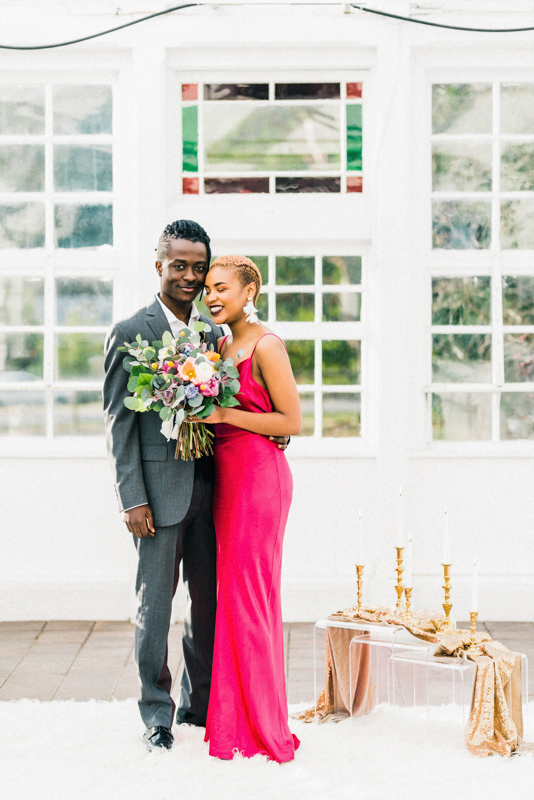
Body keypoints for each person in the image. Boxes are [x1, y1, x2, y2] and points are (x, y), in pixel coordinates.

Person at [103, 221, 289, 753]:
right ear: (158, 264)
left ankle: (199, 703)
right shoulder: (129, 331)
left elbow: (240, 406)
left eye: (199, 267)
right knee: (155, 607)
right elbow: (119, 424)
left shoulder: (215, 335)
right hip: (155, 499)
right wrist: (132, 497)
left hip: (214, 492)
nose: (190, 276)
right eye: (179, 265)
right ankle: (156, 714)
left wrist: (271, 440)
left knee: (207, 606)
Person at [198, 255, 302, 763]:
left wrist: (223, 412)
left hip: (260, 480)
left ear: (249, 290)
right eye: (208, 290)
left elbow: (292, 420)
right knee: (232, 599)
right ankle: (233, 723)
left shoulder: (267, 344)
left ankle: (263, 727)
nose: (212, 297)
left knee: (253, 600)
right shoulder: (218, 344)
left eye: (221, 288)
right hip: (226, 478)